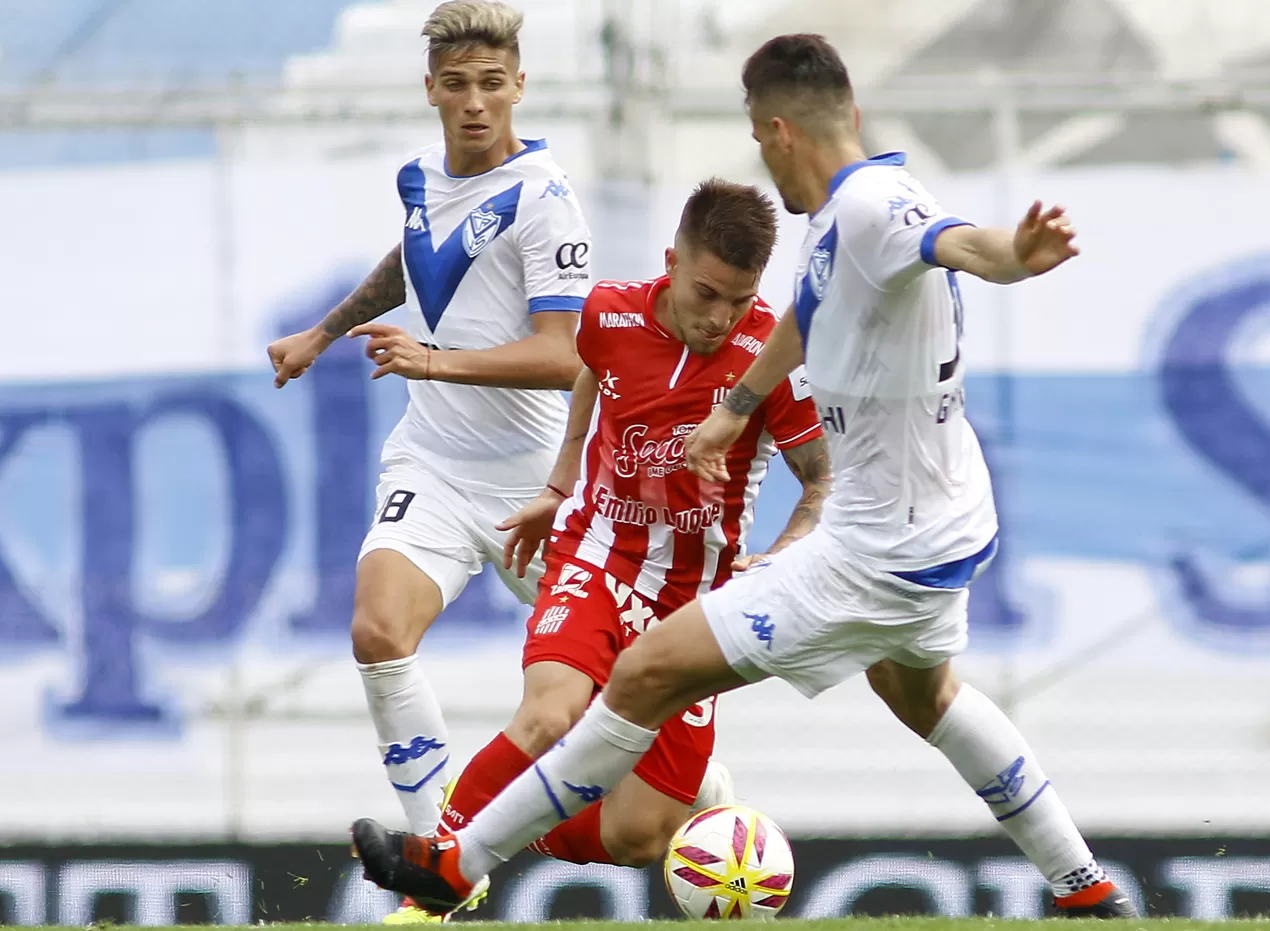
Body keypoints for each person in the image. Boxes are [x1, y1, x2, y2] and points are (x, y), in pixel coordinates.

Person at [349, 33, 1137, 920]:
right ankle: (1086, 884)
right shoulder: (839, 218)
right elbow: (800, 315)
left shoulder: (875, 207)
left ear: (776, 133)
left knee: (644, 674)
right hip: (945, 527)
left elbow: (954, 244)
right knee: (927, 695)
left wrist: (1010, 255)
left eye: (763, 145)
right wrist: (735, 404)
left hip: (870, 545)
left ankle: (455, 866)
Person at [265, 1, 590, 921]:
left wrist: (432, 359)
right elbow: (415, 260)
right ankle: (443, 871)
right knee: (377, 630)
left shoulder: (544, 196)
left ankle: (703, 794)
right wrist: (324, 333)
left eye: (493, 84)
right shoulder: (418, 178)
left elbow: (568, 356)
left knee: (619, 697)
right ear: (432, 91)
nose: (476, 103)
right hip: (435, 468)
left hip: (538, 484)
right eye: (458, 86)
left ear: (520, 85)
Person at [437, 177, 828, 873]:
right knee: (548, 715)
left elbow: (822, 482)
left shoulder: (771, 358)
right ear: (671, 262)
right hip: (598, 554)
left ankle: (489, 819)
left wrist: (780, 554)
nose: (721, 318)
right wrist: (560, 484)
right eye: (707, 294)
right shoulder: (609, 313)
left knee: (637, 838)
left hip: (693, 601)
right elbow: (594, 368)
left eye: (739, 300)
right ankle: (439, 866)